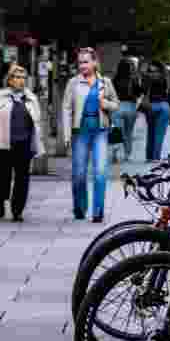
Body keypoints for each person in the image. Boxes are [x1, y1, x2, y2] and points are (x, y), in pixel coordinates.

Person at [62, 47, 119, 222]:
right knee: (79, 174)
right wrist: (66, 135)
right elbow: (66, 109)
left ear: (95, 63)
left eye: (86, 62)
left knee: (100, 172)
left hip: (100, 131)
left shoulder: (105, 82)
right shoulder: (73, 83)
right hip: (80, 132)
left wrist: (105, 103)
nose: (82, 65)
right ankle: (79, 208)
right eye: (80, 62)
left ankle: (97, 212)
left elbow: (115, 104)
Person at [0, 64, 44, 222]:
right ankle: (1, 198)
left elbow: (37, 122)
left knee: (23, 179)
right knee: (4, 177)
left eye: (23, 78)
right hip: (3, 144)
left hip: (24, 144)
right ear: (9, 80)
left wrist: (38, 144)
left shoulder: (31, 98)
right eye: (17, 77)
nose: (20, 81)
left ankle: (17, 210)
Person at [111, 56, 141, 162]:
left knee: (117, 131)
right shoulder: (134, 78)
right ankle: (127, 155)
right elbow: (138, 93)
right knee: (128, 133)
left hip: (117, 106)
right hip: (130, 107)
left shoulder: (115, 79)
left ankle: (115, 152)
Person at [141, 60, 170, 162]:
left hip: (151, 106)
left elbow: (142, 90)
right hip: (163, 105)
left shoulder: (146, 77)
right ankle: (156, 157)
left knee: (151, 131)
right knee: (159, 134)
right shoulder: (165, 76)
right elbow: (168, 90)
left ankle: (149, 157)